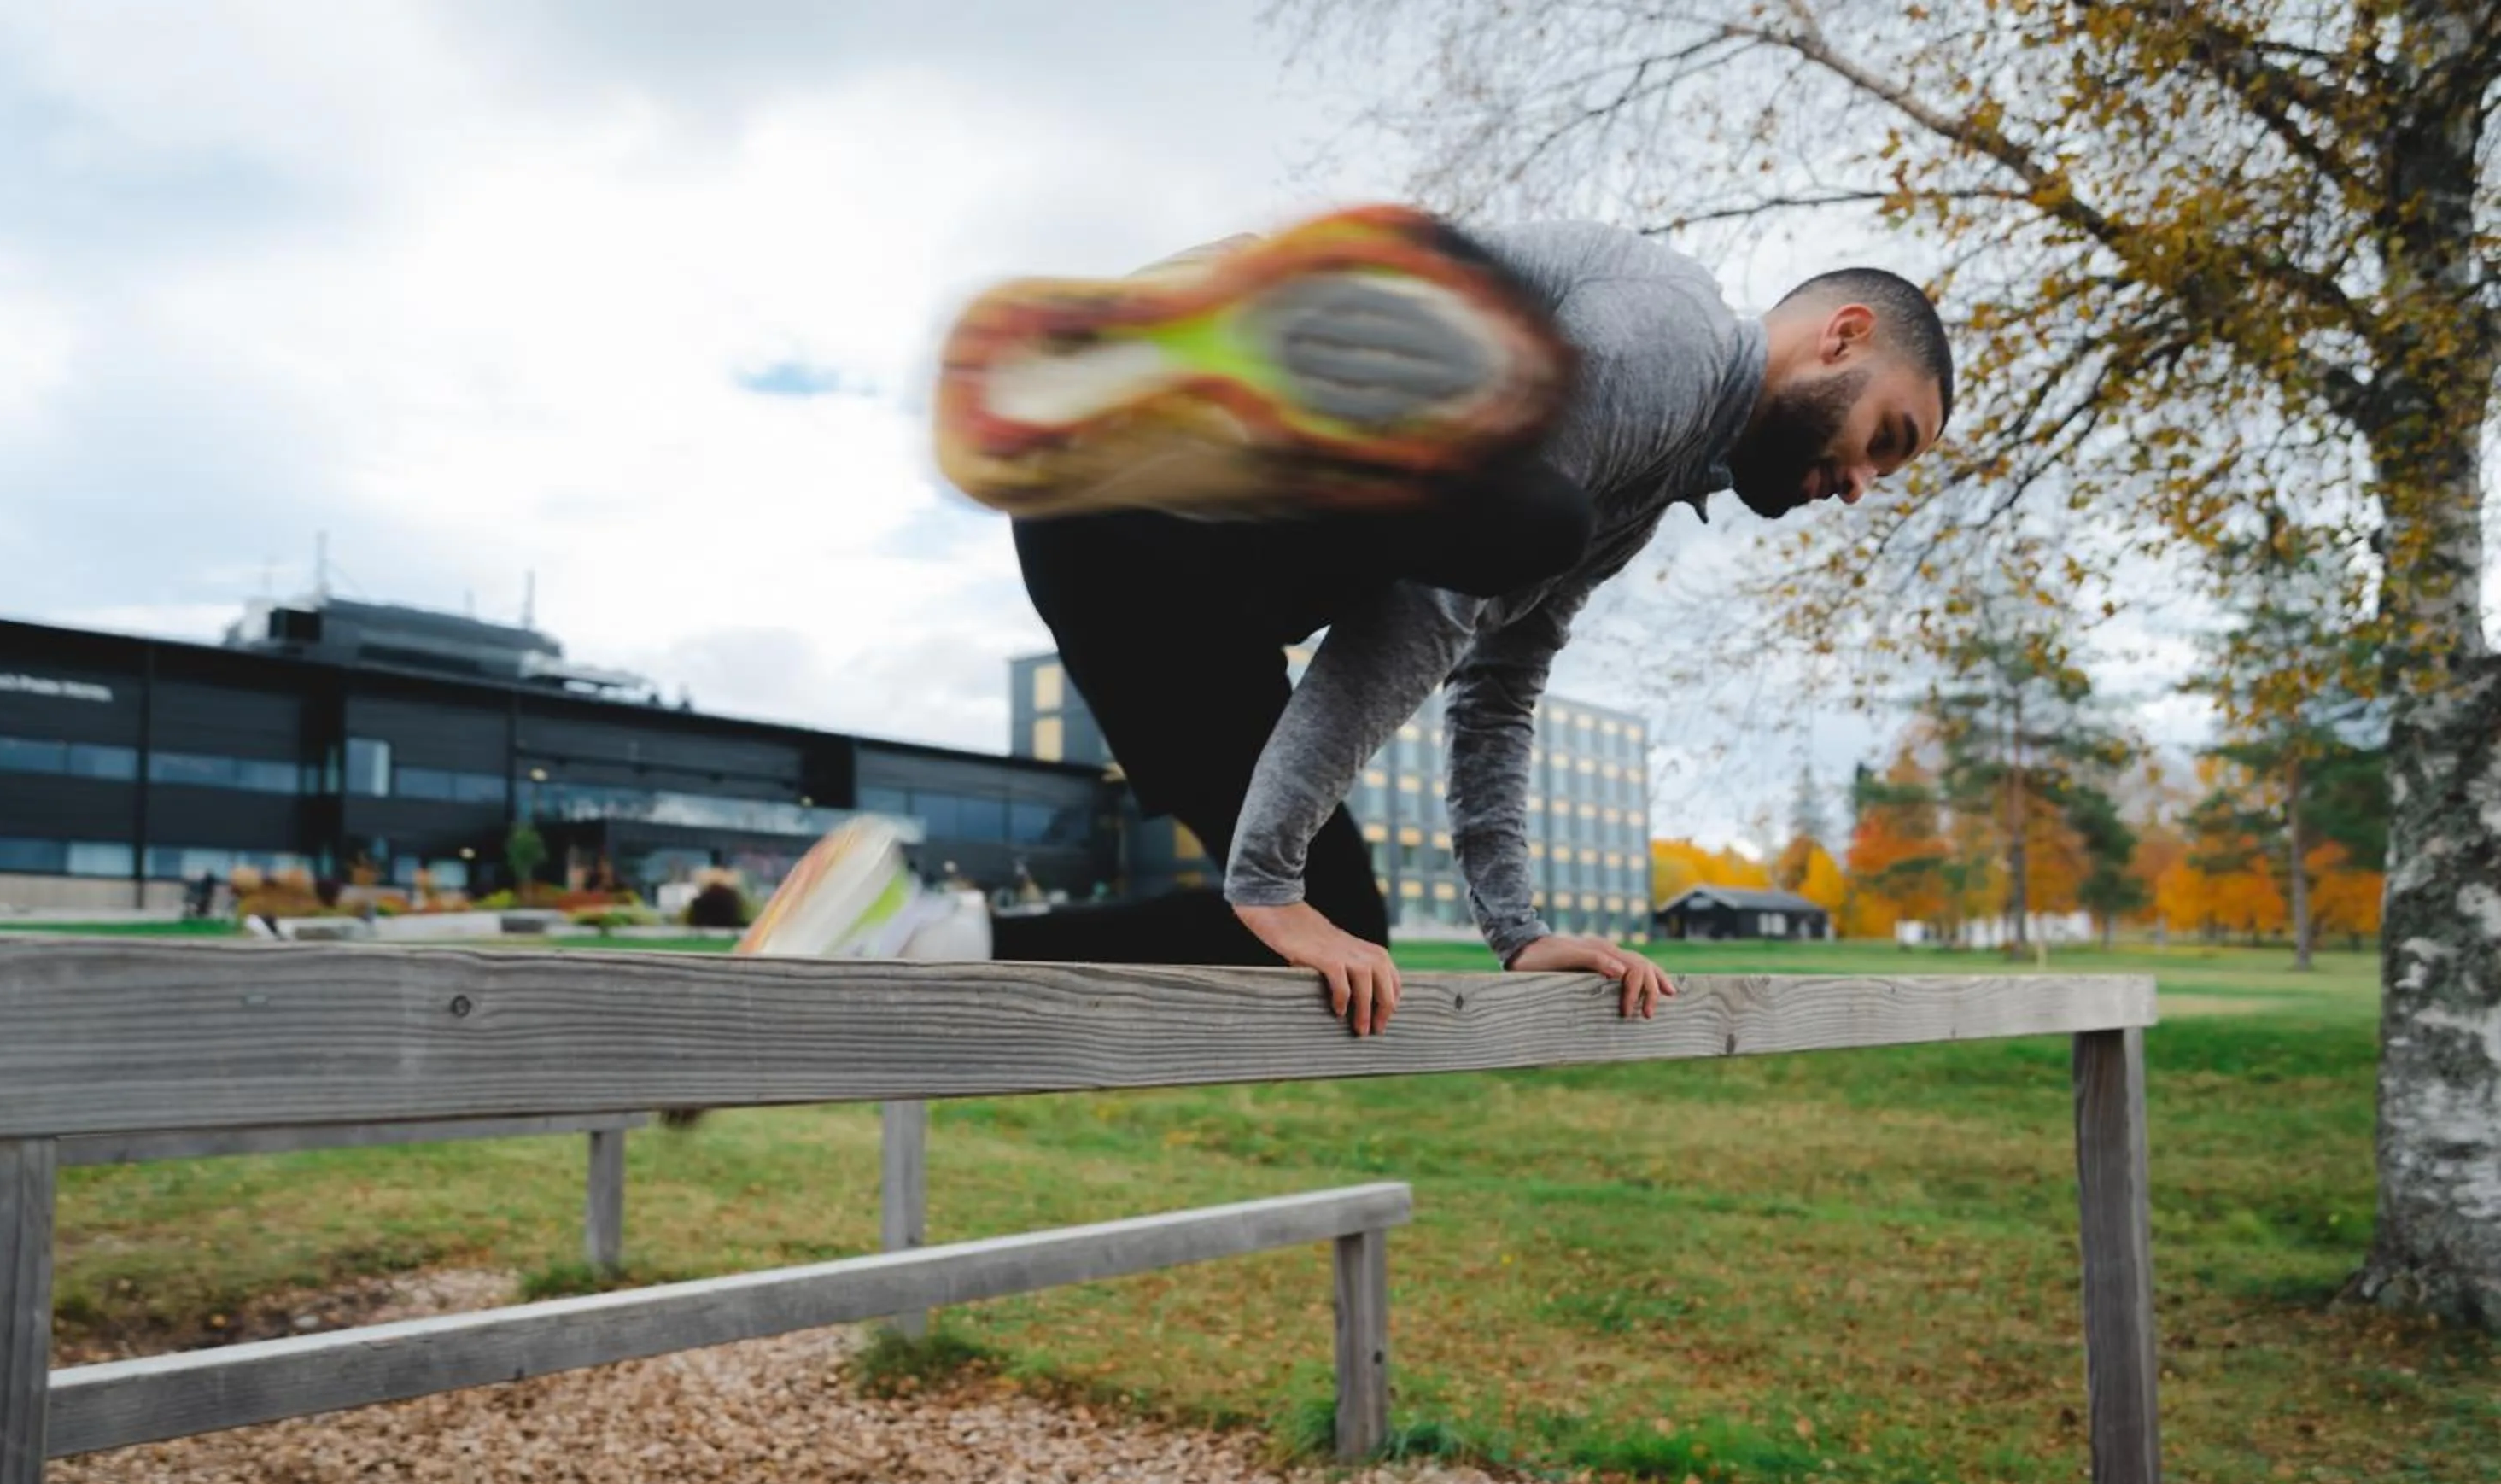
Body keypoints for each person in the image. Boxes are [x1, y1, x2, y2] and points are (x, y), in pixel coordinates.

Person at [741, 208, 1952, 1036]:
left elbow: (1499, 688)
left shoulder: (1636, 501)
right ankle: (1243, 371)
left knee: (1334, 930)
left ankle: (917, 937)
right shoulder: (1675, 339)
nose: (1857, 485)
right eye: (1882, 440)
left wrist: (1517, 931)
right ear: (1841, 336)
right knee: (1525, 515)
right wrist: (1268, 871)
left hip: (1141, 579)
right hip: (1184, 526)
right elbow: (1430, 611)